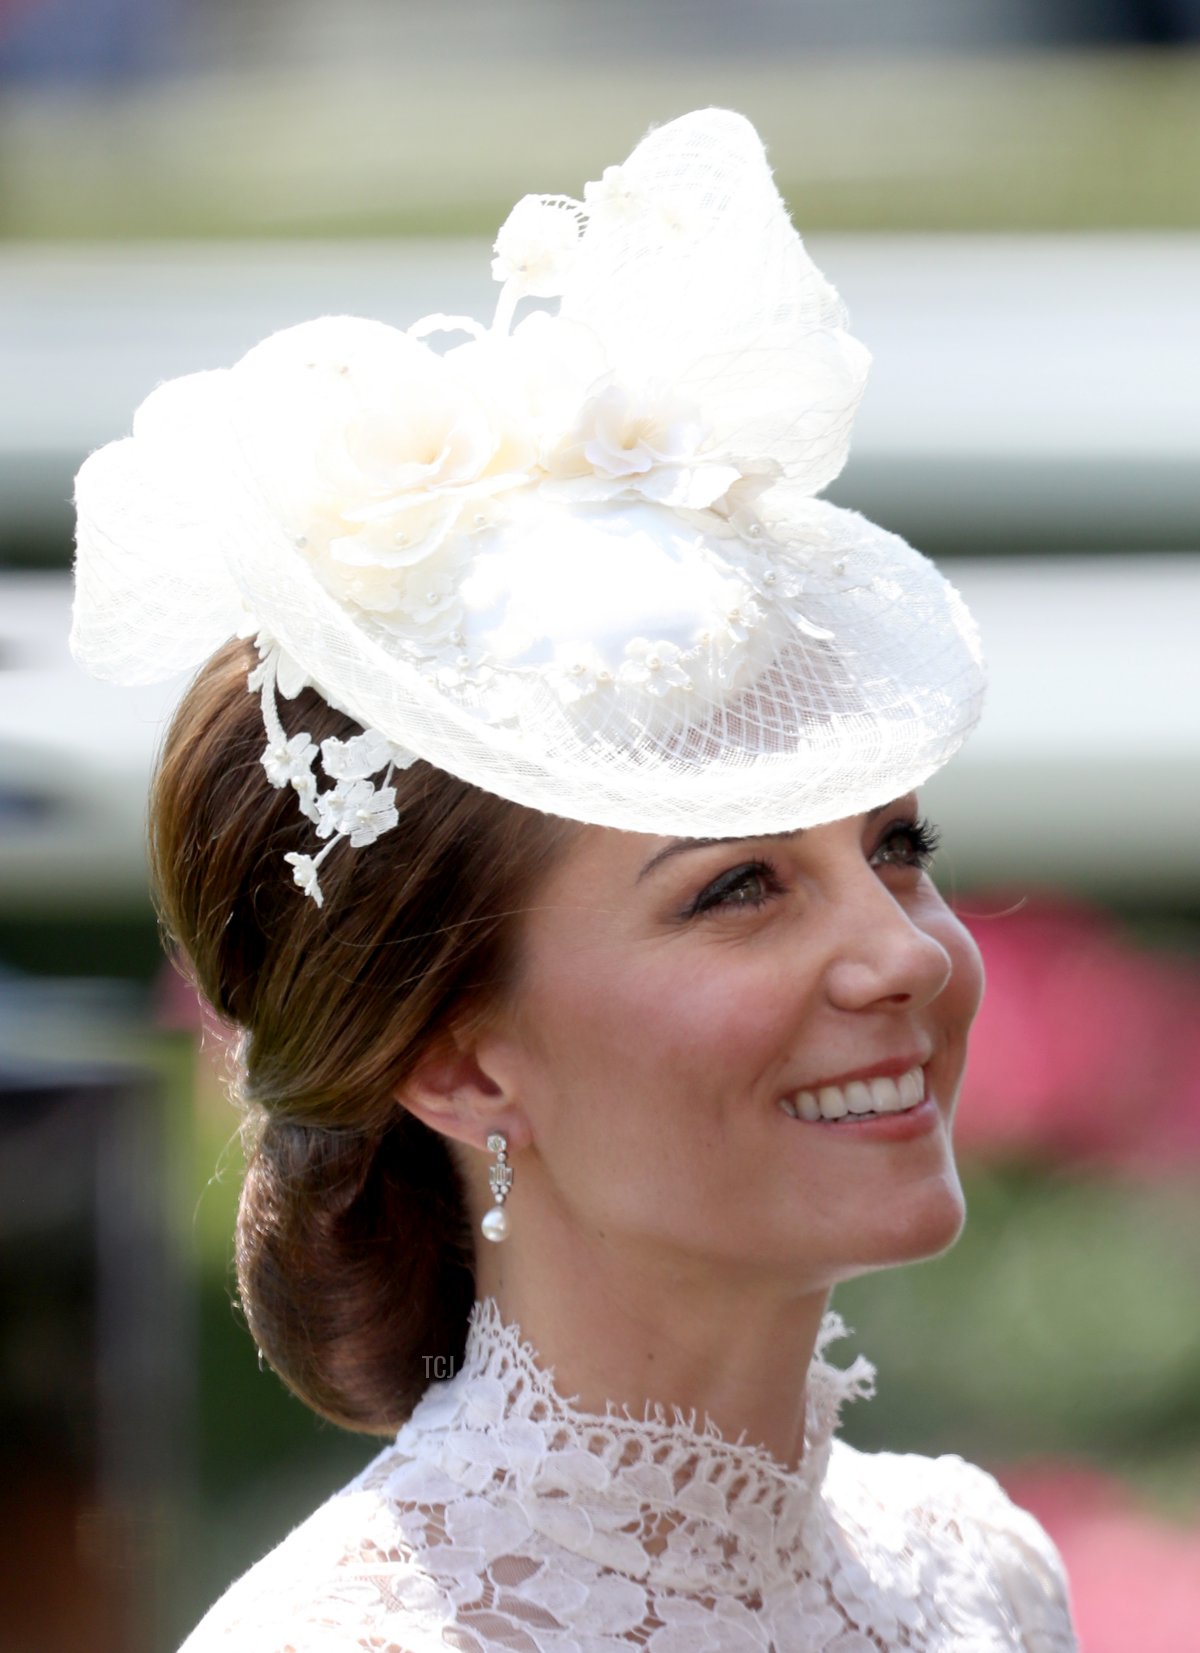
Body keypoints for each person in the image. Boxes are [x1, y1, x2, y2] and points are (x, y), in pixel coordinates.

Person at [71, 110, 1077, 1651]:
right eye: (739, 886)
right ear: (457, 1055)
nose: (905, 953)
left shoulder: (979, 1574)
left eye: (896, 849)